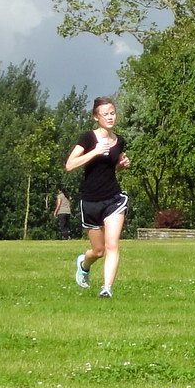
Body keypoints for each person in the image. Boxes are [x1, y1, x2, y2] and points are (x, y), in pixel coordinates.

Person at [65, 97, 131, 298]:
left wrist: (122, 165)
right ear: (96, 117)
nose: (110, 117)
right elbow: (70, 165)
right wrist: (95, 152)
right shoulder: (88, 139)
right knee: (99, 251)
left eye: (112, 113)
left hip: (114, 198)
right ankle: (84, 264)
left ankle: (106, 289)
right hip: (91, 200)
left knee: (112, 245)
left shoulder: (120, 141)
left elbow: (111, 168)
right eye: (105, 114)